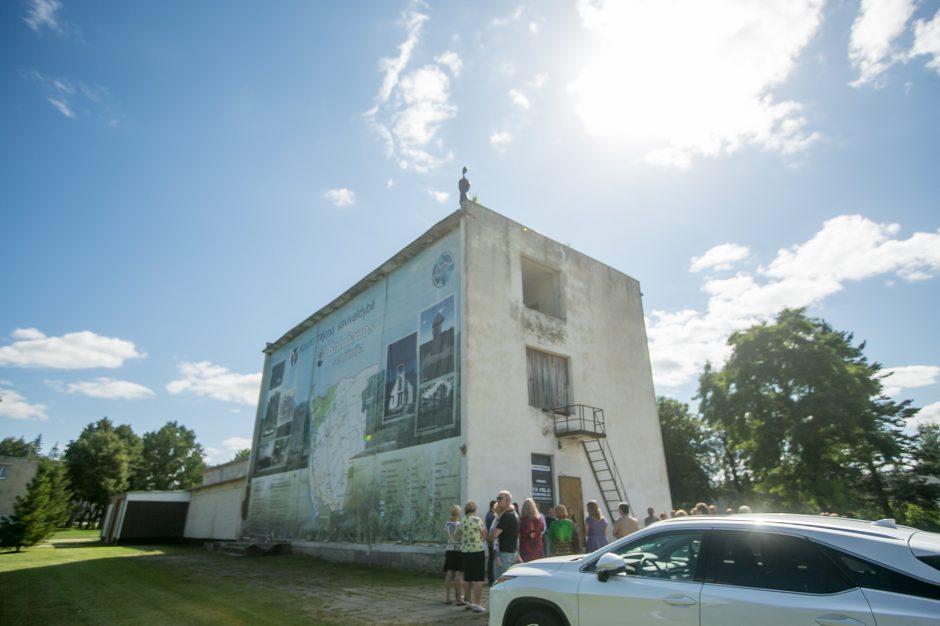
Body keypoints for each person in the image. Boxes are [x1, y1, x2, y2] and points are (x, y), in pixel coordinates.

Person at [458, 500, 487, 613]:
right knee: (479, 578)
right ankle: (477, 603)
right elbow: (484, 535)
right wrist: (480, 537)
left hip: (465, 551)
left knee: (467, 577)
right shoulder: (477, 520)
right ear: (475, 510)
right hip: (477, 551)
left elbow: (457, 536)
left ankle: (468, 602)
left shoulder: (462, 521)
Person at [488, 490, 519, 580]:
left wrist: (489, 539)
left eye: (500, 498)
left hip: (504, 555)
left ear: (508, 500)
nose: (498, 500)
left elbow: (493, 536)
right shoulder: (512, 514)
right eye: (497, 498)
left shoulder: (507, 516)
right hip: (510, 553)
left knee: (501, 583)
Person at [442, 504, 464, 605]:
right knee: (458, 575)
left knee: (449, 572)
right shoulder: (460, 524)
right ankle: (459, 598)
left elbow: (446, 536)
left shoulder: (446, 524)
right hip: (458, 550)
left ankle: (447, 597)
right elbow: (460, 538)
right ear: (459, 513)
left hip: (449, 549)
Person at [518, 498, 545, 562]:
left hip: (526, 547)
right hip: (538, 546)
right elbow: (541, 533)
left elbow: (519, 535)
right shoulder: (539, 520)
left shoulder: (522, 521)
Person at [484, 499, 497, 585]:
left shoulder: (488, 514)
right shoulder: (492, 516)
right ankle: (491, 578)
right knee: (492, 559)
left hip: (489, 538)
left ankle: (490, 578)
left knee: (491, 559)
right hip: (491, 538)